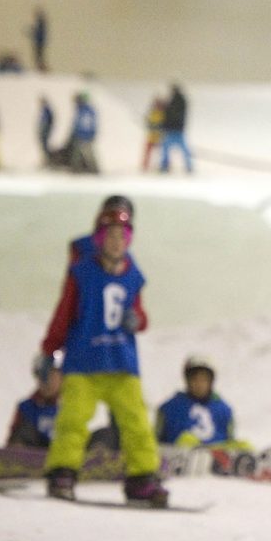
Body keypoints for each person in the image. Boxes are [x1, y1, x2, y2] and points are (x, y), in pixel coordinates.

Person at [38, 196, 168, 506]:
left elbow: (141, 315)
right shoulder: (82, 273)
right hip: (83, 363)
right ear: (99, 238)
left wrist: (137, 321)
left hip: (122, 364)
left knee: (136, 421)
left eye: (121, 237)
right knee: (73, 420)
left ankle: (142, 477)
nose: (115, 242)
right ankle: (63, 472)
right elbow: (64, 314)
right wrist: (50, 352)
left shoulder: (133, 276)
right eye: (109, 236)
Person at [7, 352, 63, 448]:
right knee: (25, 430)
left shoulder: (71, 406)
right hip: (33, 456)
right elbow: (13, 439)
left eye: (52, 377)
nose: (46, 382)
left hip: (65, 455)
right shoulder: (26, 407)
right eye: (42, 377)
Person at [160, 83, 193, 174]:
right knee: (169, 147)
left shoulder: (176, 102)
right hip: (176, 129)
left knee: (168, 147)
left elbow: (171, 115)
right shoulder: (177, 101)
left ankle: (165, 165)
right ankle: (188, 165)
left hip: (175, 129)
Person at [67, 91, 98, 174]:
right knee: (76, 153)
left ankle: (94, 169)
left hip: (84, 136)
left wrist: (90, 134)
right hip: (81, 135)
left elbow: (84, 124)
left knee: (88, 153)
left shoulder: (85, 110)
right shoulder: (82, 110)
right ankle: (76, 168)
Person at [141, 96, 165, 172]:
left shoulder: (163, 113)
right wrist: (149, 123)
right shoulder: (152, 112)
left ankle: (163, 165)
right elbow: (149, 123)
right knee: (148, 151)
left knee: (162, 152)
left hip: (160, 137)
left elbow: (164, 124)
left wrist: (157, 126)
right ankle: (145, 165)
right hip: (151, 137)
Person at [29, 7, 47, 72]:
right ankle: (40, 68)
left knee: (39, 57)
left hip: (39, 43)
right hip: (39, 42)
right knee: (38, 57)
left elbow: (39, 34)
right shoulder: (41, 24)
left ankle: (42, 69)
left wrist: (33, 32)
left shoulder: (41, 24)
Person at [38, 95, 54, 162]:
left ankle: (48, 159)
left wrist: (46, 129)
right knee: (43, 145)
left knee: (45, 146)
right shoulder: (44, 109)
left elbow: (49, 120)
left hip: (45, 130)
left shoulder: (47, 109)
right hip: (44, 130)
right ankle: (45, 159)